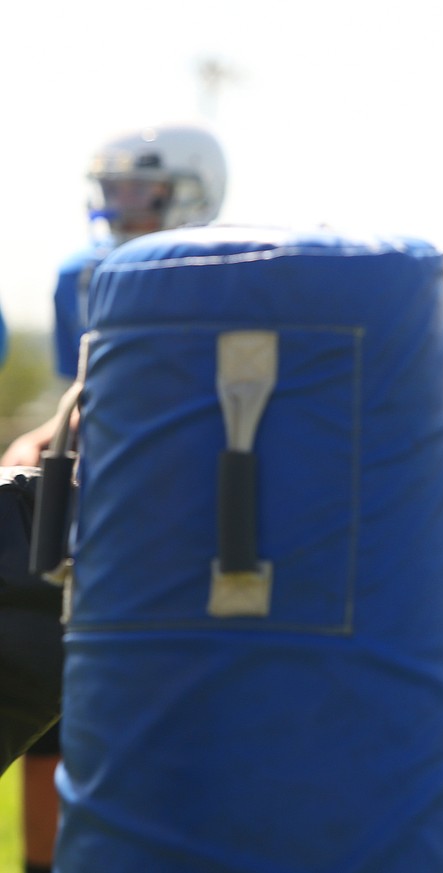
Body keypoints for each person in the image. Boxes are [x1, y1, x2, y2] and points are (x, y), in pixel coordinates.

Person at [1, 122, 227, 873]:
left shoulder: (228, 271)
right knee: (49, 695)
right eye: (117, 185)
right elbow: (91, 393)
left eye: (143, 186)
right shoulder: (84, 273)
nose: (122, 202)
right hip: (106, 499)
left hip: (192, 503)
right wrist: (42, 439)